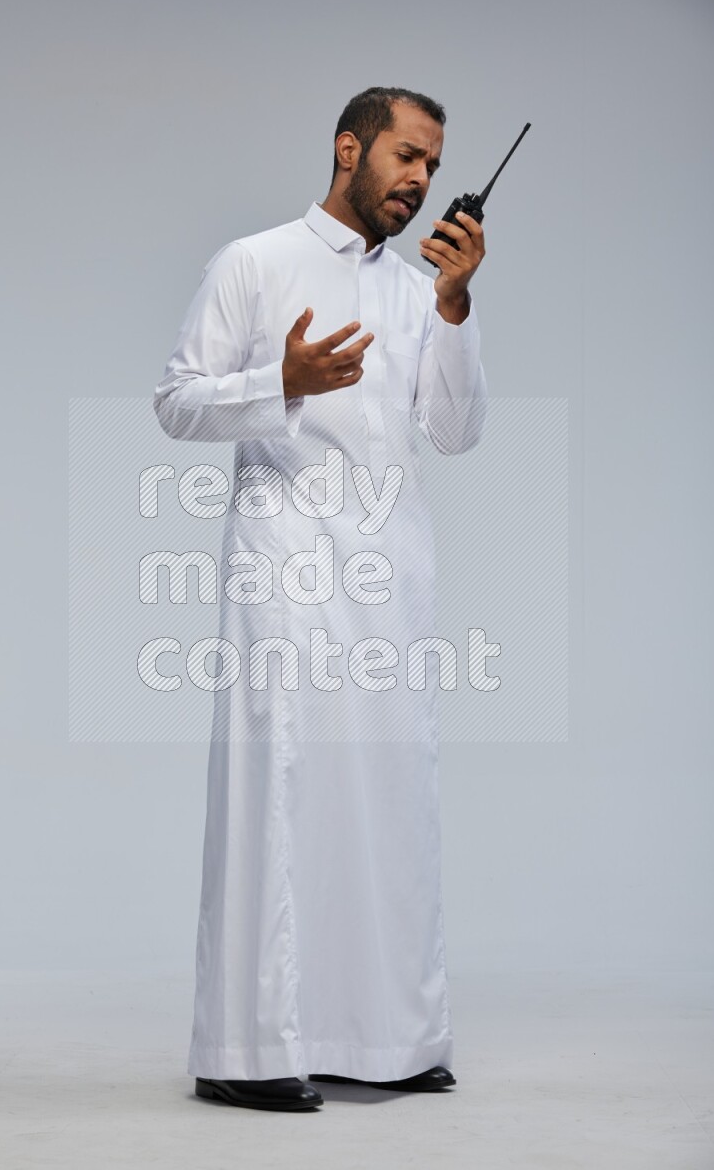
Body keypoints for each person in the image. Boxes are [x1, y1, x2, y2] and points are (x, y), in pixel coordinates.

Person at [153, 86, 487, 1112]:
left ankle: (390, 1037)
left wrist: (455, 309)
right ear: (348, 148)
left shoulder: (415, 290)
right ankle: (246, 1051)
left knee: (388, 805)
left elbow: (454, 430)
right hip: (285, 568)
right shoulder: (252, 263)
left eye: (432, 165)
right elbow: (174, 400)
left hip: (389, 580)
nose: (420, 179)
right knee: (281, 800)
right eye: (405, 155)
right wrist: (280, 382)